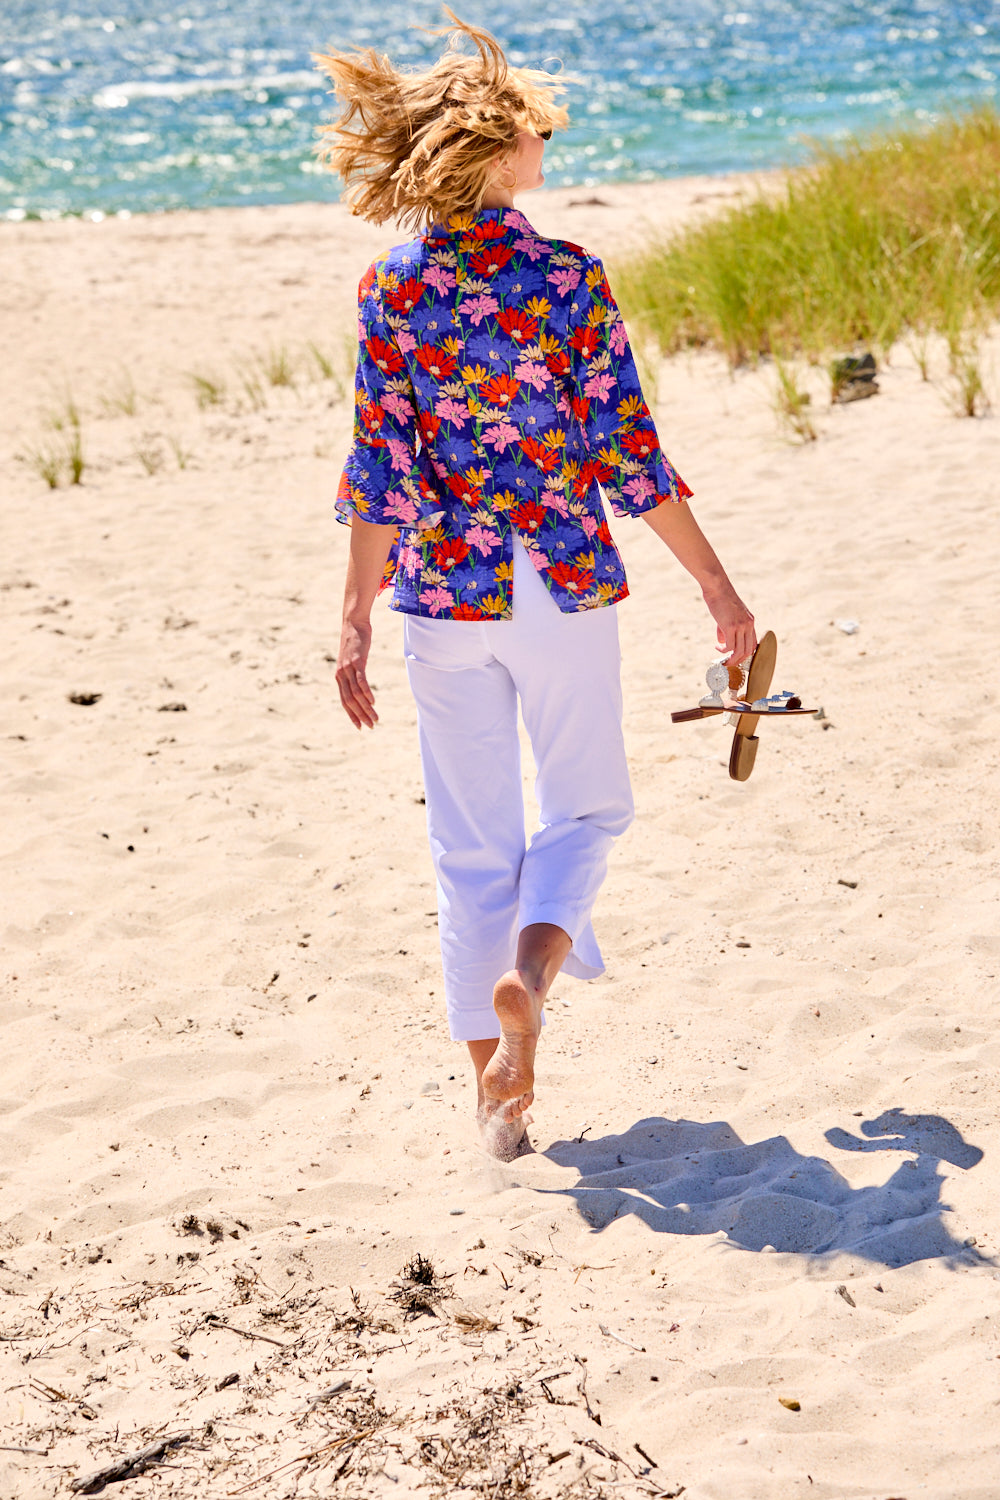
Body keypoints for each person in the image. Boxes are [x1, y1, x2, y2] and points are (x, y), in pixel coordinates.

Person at [315, 13, 756, 1159]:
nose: (545, 150)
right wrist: (717, 586)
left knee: (471, 851)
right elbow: (626, 453)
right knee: (590, 811)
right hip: (557, 584)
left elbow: (383, 470)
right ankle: (529, 986)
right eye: (535, 135)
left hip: (438, 601)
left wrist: (354, 615)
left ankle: (494, 1109)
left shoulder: (390, 288)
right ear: (497, 154)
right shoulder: (564, 274)